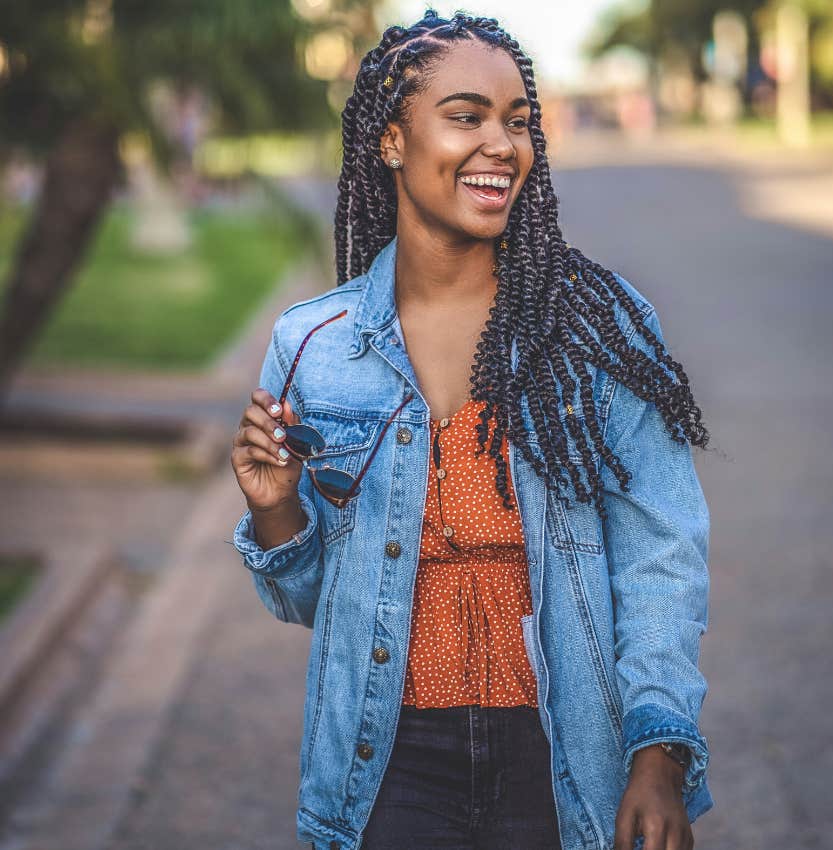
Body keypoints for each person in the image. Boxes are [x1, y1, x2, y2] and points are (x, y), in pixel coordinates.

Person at [230, 10, 713, 850]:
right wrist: (277, 511)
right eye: (466, 117)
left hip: (561, 755)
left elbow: (661, 553)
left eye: (518, 122)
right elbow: (310, 601)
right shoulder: (312, 348)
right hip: (387, 764)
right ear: (391, 142)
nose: (502, 144)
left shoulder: (594, 331)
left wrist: (659, 751)